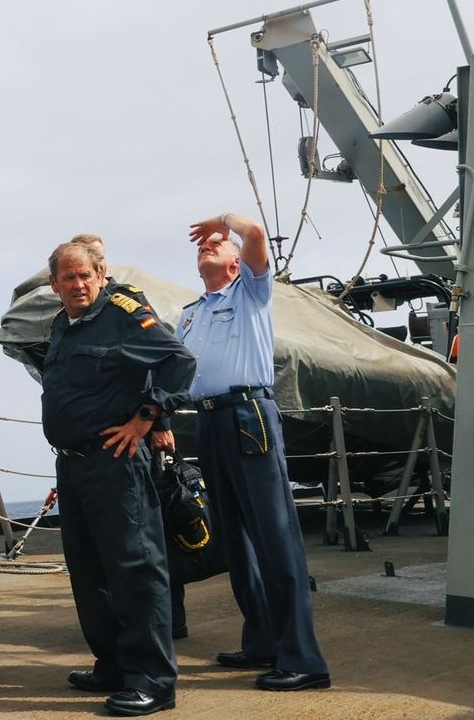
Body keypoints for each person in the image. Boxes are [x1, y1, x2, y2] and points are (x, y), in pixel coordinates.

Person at [175, 213, 330, 691]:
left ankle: (303, 659)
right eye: (207, 244)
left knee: (274, 536)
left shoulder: (251, 294)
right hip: (208, 419)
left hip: (248, 418)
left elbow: (257, 235)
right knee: (234, 538)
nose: (209, 246)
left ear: (237, 264)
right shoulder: (190, 313)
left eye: (219, 245)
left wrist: (223, 221)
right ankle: (262, 640)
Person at [41, 240, 196, 718]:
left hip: (115, 464)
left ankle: (153, 681)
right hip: (73, 465)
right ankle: (111, 664)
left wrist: (147, 418)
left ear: (99, 275)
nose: (78, 284)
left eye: (85, 275)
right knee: (88, 572)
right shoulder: (61, 326)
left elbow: (178, 361)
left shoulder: (124, 313)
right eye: (68, 277)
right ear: (55, 284)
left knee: (135, 570)